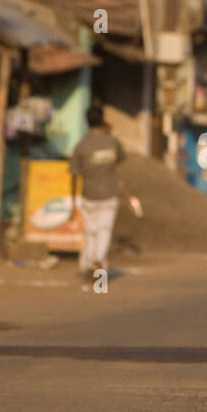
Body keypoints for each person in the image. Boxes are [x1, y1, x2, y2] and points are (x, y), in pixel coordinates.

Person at [69, 105, 126, 282]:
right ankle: (97, 260)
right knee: (104, 230)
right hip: (109, 194)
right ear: (102, 120)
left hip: (88, 196)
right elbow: (121, 160)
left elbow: (74, 175)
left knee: (91, 231)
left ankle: (90, 263)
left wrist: (72, 202)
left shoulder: (81, 145)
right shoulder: (112, 142)